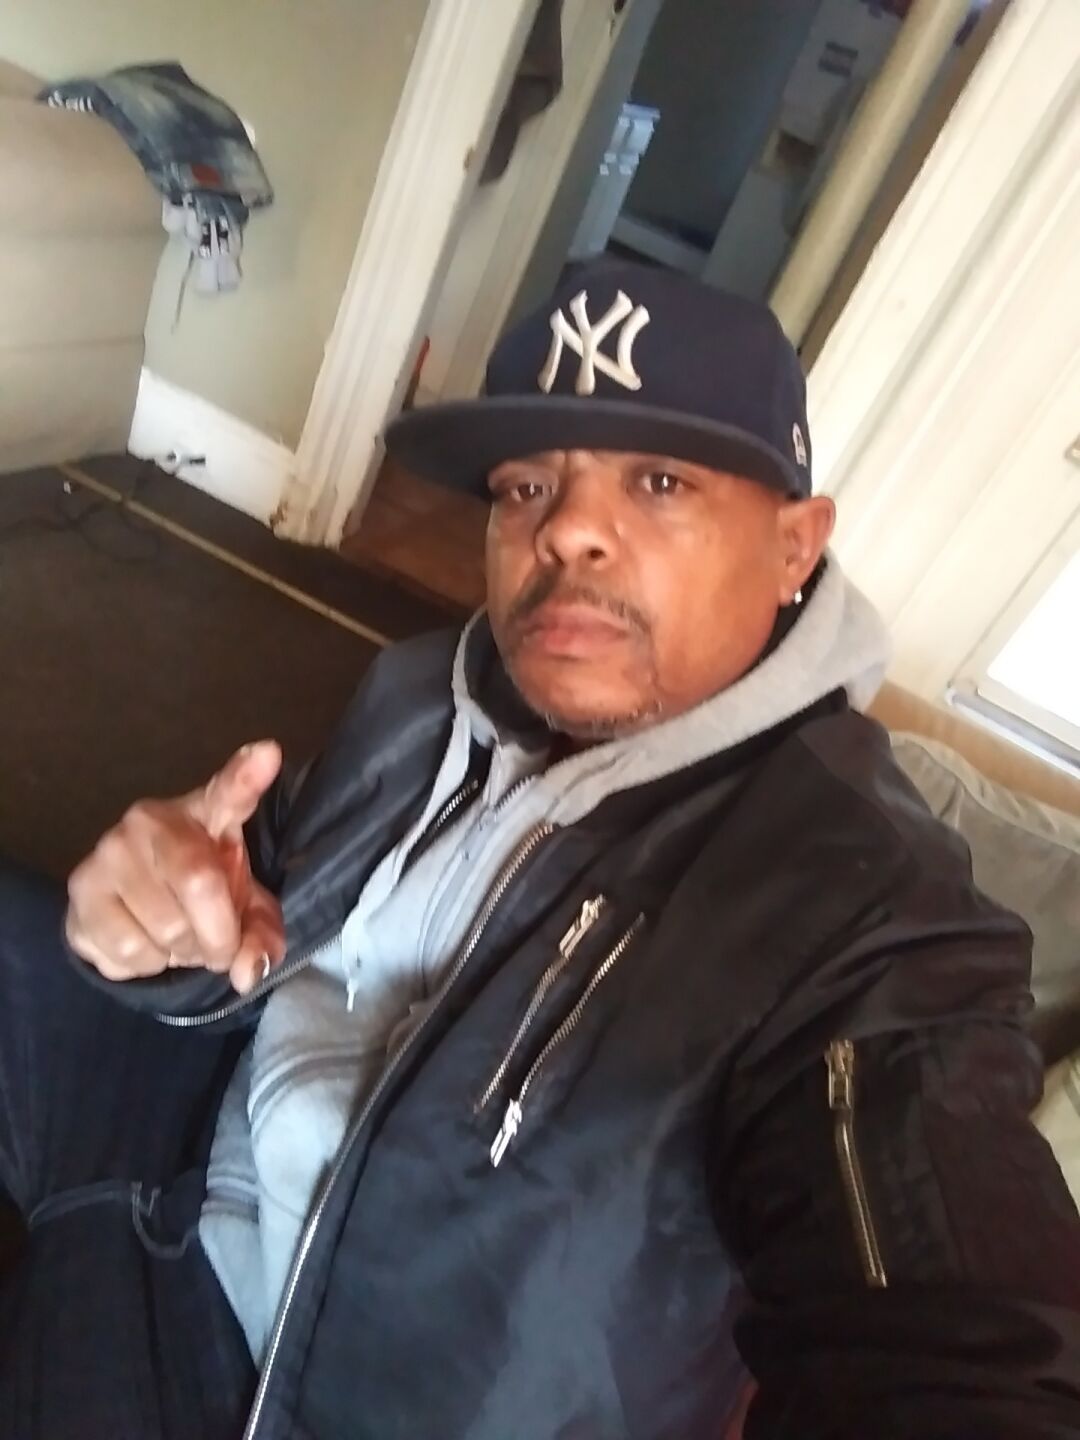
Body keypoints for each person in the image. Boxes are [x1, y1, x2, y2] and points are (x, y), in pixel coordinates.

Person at [3, 262, 1080, 1440]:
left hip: (272, 1378)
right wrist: (154, 926)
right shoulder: (426, 688)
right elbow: (258, 892)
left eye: (660, 481)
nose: (563, 529)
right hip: (186, 1126)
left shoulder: (862, 909)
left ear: (794, 548)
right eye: (527, 486)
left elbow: (956, 1343)